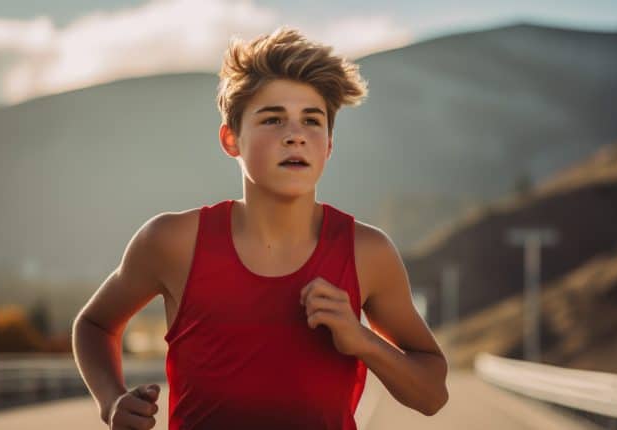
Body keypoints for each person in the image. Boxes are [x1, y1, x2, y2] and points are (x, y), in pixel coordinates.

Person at [72, 26, 449, 430]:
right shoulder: (172, 242)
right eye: (272, 120)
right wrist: (111, 402)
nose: (295, 136)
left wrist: (364, 341)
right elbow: (94, 325)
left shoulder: (367, 253)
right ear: (231, 139)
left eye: (311, 121)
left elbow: (432, 395)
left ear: (329, 145)